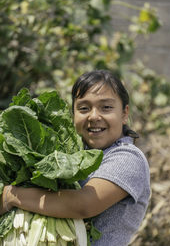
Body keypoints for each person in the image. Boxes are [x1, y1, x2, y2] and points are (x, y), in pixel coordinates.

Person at [0, 70, 150, 246]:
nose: (94, 116)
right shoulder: (66, 154)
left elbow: (84, 204)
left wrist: (12, 196)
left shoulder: (129, 158)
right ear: (73, 114)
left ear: (124, 113)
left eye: (106, 107)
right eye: (84, 108)